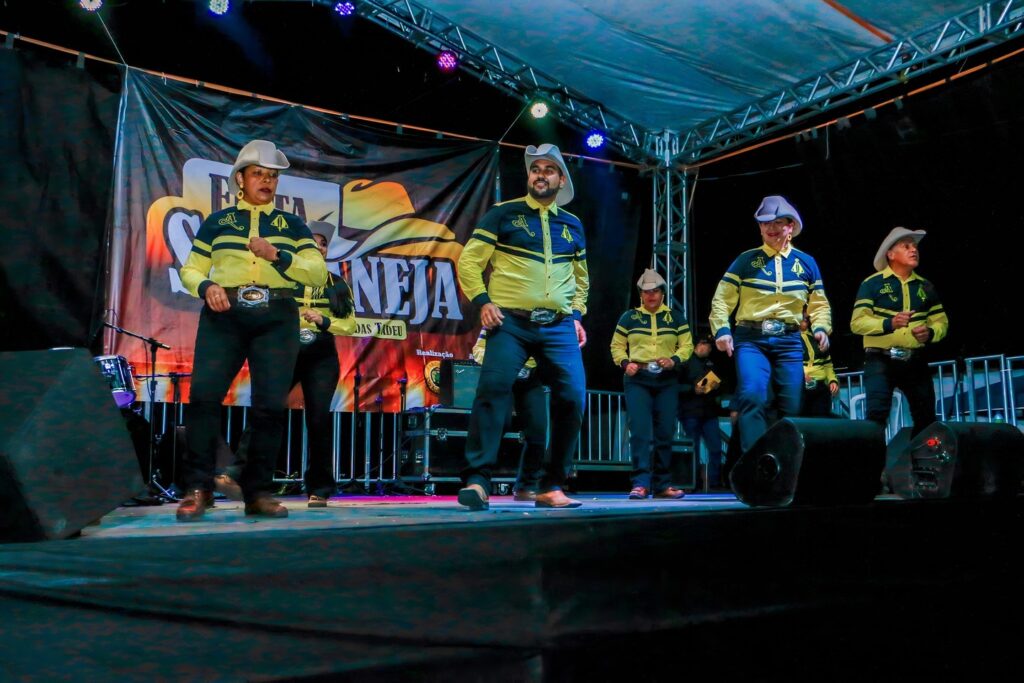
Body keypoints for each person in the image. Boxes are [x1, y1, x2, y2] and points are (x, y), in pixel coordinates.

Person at [176, 139, 327, 521]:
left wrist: (277, 255)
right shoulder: (218, 222)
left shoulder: (292, 225)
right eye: (258, 174)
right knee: (204, 397)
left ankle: (257, 492)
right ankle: (198, 488)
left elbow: (317, 273)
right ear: (240, 179)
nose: (266, 181)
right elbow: (190, 268)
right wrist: (206, 286)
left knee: (270, 406)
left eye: (272, 176)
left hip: (277, 315)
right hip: (224, 313)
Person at [456, 143, 588, 510]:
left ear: (561, 180)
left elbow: (581, 278)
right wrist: (483, 301)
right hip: (510, 322)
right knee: (492, 390)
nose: (540, 174)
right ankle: (478, 481)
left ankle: (550, 485)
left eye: (549, 169)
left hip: (558, 325)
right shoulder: (503, 213)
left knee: (573, 397)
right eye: (535, 169)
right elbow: (469, 262)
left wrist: (577, 315)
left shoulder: (572, 224)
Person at [215, 222, 356, 508]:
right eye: (313, 242)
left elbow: (350, 324)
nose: (318, 247)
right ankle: (236, 474)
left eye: (323, 243)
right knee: (267, 409)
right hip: (285, 349)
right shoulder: (284, 277)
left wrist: (324, 320)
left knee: (319, 419)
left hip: (321, 354)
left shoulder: (336, 283)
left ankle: (320, 488)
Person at [709, 195, 832, 454]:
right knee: (752, 395)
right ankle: (755, 462)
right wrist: (722, 330)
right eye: (765, 223)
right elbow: (721, 299)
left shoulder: (806, 262)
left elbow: (819, 304)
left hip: (789, 341)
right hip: (751, 339)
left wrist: (821, 328)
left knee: (793, 405)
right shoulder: (745, 260)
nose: (770, 228)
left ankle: (784, 463)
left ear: (791, 226)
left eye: (777, 223)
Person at [850, 227, 948, 435]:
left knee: (926, 417)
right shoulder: (872, 284)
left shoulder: (925, 286)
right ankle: (874, 458)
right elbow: (857, 323)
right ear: (891, 254)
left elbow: (941, 321)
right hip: (880, 360)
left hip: (915, 359)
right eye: (906, 246)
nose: (914, 250)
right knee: (876, 416)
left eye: (915, 247)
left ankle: (920, 457)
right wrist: (889, 324)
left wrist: (930, 332)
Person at [610, 268, 693, 500]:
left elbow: (687, 345)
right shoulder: (629, 317)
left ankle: (662, 485)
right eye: (646, 292)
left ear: (662, 293)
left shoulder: (676, 317)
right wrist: (625, 363)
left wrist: (674, 360)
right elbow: (616, 345)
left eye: (655, 291)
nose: (651, 296)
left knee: (665, 432)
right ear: (640, 294)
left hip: (667, 379)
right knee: (639, 431)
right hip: (638, 379)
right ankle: (640, 483)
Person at [471, 330, 548, 501]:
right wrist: (500, 363)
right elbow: (478, 349)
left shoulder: (541, 325)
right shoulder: (502, 319)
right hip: (502, 375)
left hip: (530, 379)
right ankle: (480, 482)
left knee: (538, 428)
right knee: (499, 423)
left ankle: (526, 486)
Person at [679, 335, 724, 490]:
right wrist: (693, 389)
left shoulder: (711, 363)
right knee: (694, 449)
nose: (709, 349)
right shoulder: (685, 361)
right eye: (707, 346)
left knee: (716, 447)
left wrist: (717, 386)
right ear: (698, 345)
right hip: (691, 411)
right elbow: (676, 386)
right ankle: (694, 482)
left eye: (711, 347)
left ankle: (715, 482)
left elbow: (720, 381)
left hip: (709, 412)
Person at [799, 315, 839, 417]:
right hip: (801, 387)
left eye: (806, 319)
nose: (805, 321)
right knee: (804, 418)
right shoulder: (791, 340)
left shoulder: (817, 336)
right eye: (802, 318)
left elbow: (827, 363)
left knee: (822, 418)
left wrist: (832, 380)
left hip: (821, 387)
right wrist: (801, 375)